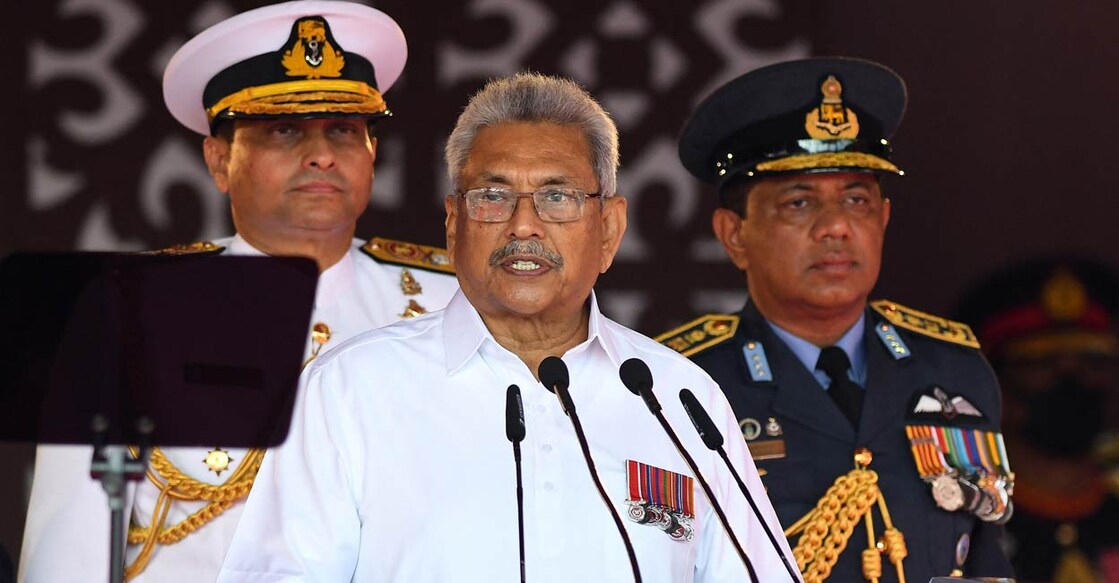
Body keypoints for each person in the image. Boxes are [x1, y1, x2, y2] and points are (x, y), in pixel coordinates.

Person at [216, 72, 797, 582]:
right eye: (493, 196)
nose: (524, 226)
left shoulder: (678, 400)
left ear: (610, 230)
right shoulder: (349, 390)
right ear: (453, 225)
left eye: (557, 196)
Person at [18, 2, 458, 582]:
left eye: (344, 130)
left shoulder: (453, 299)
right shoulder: (127, 306)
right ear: (219, 160)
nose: (322, 153)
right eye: (284, 130)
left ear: (373, 152)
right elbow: (68, 553)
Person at [656, 57, 1015, 582]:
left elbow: (986, 556)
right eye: (799, 203)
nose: (836, 227)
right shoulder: (681, 384)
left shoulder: (954, 368)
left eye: (856, 199)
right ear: (734, 234)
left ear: (884, 218)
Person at [956, 257, 1119, 583]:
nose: (1073, 381)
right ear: (996, 383)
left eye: (1092, 361)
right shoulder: (963, 522)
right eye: (1042, 363)